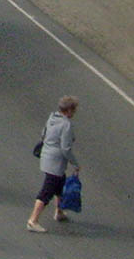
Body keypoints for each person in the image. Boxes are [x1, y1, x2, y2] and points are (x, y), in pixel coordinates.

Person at [27, 96, 81, 233]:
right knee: (47, 191)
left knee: (60, 185)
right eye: (73, 110)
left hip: (47, 157)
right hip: (55, 163)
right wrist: (75, 163)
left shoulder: (52, 117)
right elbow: (66, 148)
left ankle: (59, 211)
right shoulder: (66, 125)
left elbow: (43, 134)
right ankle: (33, 220)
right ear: (68, 110)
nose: (74, 113)